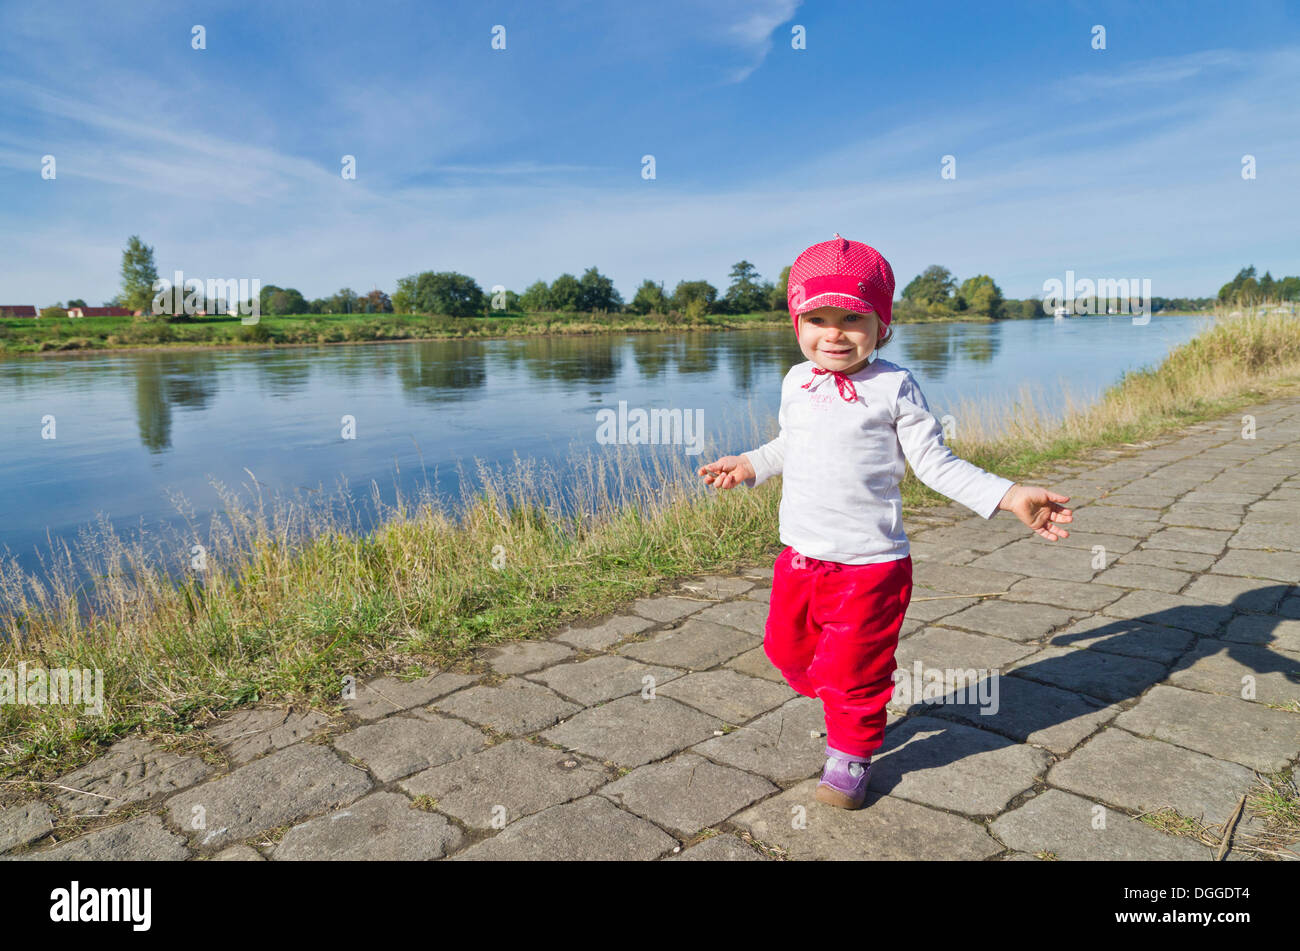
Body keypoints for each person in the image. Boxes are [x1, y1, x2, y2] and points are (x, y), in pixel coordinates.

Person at [698, 234, 1073, 809]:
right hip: (799, 556)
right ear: (797, 323)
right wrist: (750, 463)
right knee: (785, 651)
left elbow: (936, 465)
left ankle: (850, 752)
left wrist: (1009, 494)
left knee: (854, 671)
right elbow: (788, 445)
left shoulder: (894, 387)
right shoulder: (796, 382)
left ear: (882, 324)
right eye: (817, 317)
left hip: (870, 568)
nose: (833, 333)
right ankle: (848, 703)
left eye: (852, 317)